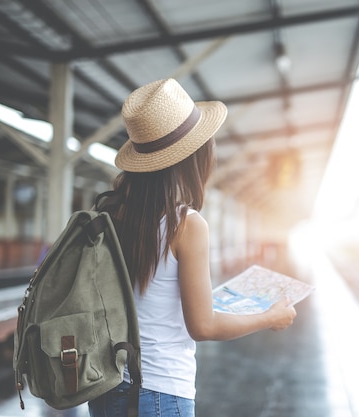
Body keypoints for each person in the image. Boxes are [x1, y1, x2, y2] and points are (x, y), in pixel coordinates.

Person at [88, 78, 297, 417]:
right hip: (159, 392)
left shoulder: (110, 214)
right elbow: (202, 326)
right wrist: (269, 317)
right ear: (193, 156)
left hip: (105, 388)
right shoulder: (186, 224)